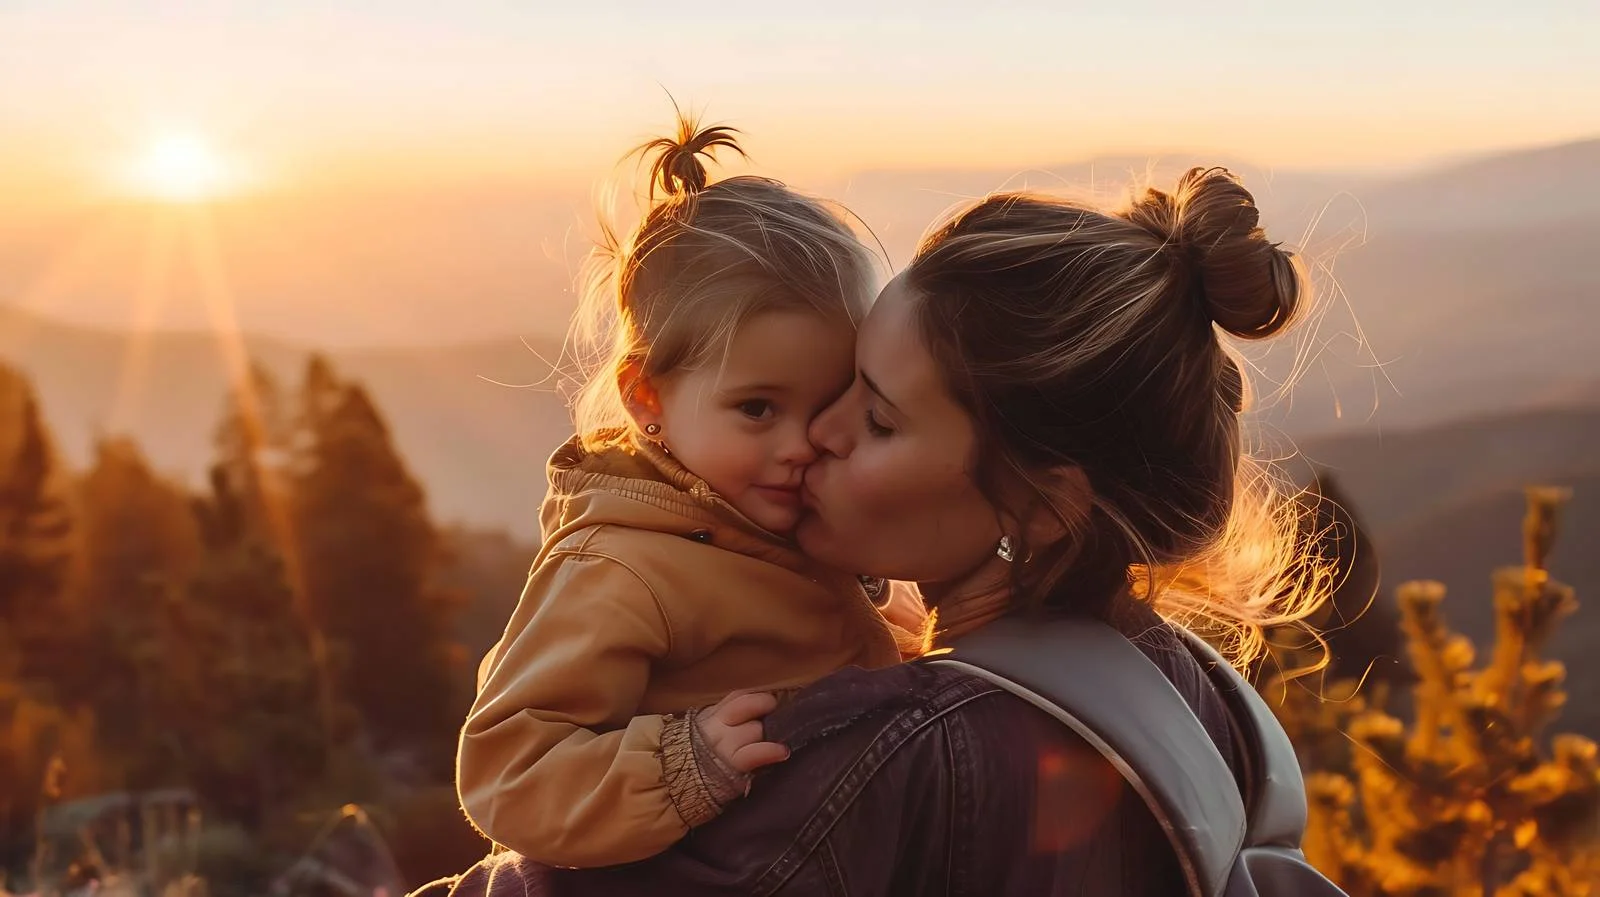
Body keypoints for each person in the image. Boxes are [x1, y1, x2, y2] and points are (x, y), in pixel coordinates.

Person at [423, 161, 1330, 896]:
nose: (819, 433)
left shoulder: (896, 759)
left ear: (1044, 503)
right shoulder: (1206, 698)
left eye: (878, 416)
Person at [455, 116, 930, 870]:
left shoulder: (785, 513)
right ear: (647, 396)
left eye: (832, 397)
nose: (802, 441)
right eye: (758, 408)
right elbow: (507, 772)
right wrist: (682, 767)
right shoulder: (622, 569)